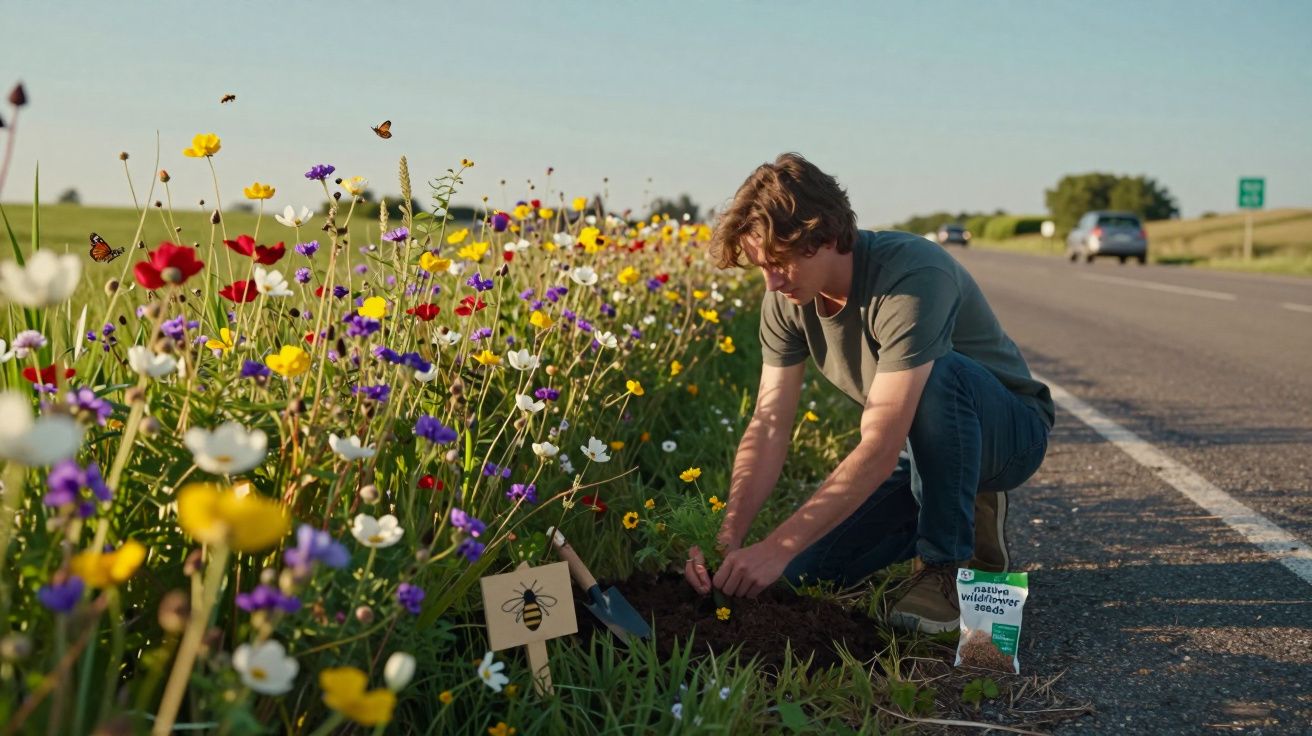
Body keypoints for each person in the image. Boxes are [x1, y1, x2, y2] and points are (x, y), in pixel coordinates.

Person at [682, 153, 1054, 634]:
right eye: (761, 267)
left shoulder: (913, 276)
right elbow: (769, 423)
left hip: (1006, 434)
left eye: (780, 263)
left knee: (940, 374)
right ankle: (947, 502)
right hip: (913, 452)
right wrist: (728, 542)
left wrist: (776, 544)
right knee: (797, 572)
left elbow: (877, 447)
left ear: (828, 236)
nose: (771, 282)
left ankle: (945, 564)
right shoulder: (785, 300)